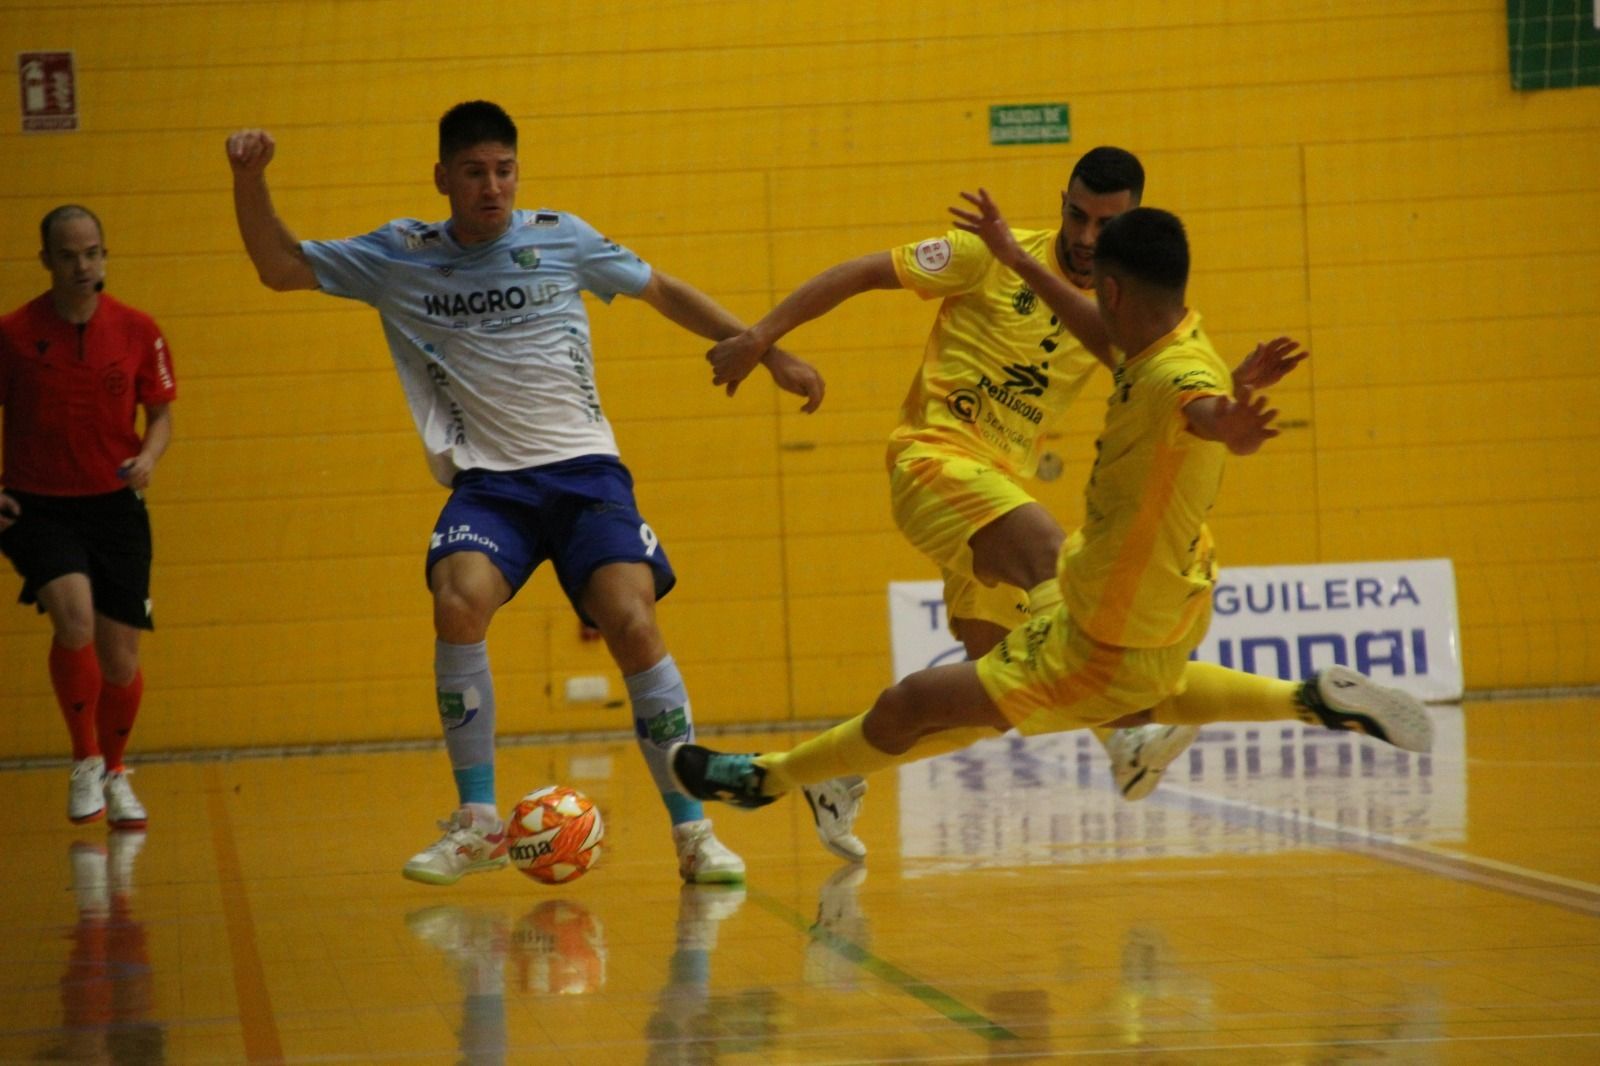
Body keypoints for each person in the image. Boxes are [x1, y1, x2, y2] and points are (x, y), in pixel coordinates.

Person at [668, 204, 1433, 823]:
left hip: (1105, 613)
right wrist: (1018, 257)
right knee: (1080, 691)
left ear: (1116, 291)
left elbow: (1191, 406)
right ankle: (1303, 700)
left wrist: (1225, 423)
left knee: (919, 703)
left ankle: (772, 779)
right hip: (1175, 601)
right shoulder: (1178, 337)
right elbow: (1143, 361)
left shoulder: (1173, 376)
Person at [225, 100, 825, 886]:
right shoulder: (398, 255)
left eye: (504, 170)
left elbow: (662, 290)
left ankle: (693, 832)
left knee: (633, 622)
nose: (492, 187)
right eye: (474, 172)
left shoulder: (561, 238)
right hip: (489, 488)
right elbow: (279, 267)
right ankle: (477, 824)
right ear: (442, 178)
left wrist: (764, 350)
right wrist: (250, 180)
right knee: (456, 603)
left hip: (584, 473)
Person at [703, 149, 1295, 859]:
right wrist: (761, 338)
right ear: (1062, 202)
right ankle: (1126, 737)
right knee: (1054, 560)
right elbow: (859, 272)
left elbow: (1167, 384)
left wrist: (1230, 393)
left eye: (1105, 224)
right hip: (935, 461)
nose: (1085, 235)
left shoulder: (1119, 313)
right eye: (1076, 215)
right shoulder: (987, 255)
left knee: (998, 700)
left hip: (997, 496)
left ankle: (836, 772)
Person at [0, 205, 175, 830]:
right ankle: (84, 760)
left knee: (120, 659)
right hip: (38, 503)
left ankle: (116, 771)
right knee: (73, 618)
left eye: (93, 253)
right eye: (69, 255)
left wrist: (148, 457)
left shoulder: (137, 330)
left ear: (105, 255)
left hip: (114, 504)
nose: (83, 266)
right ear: (46, 260)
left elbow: (160, 414)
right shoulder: (14, 334)